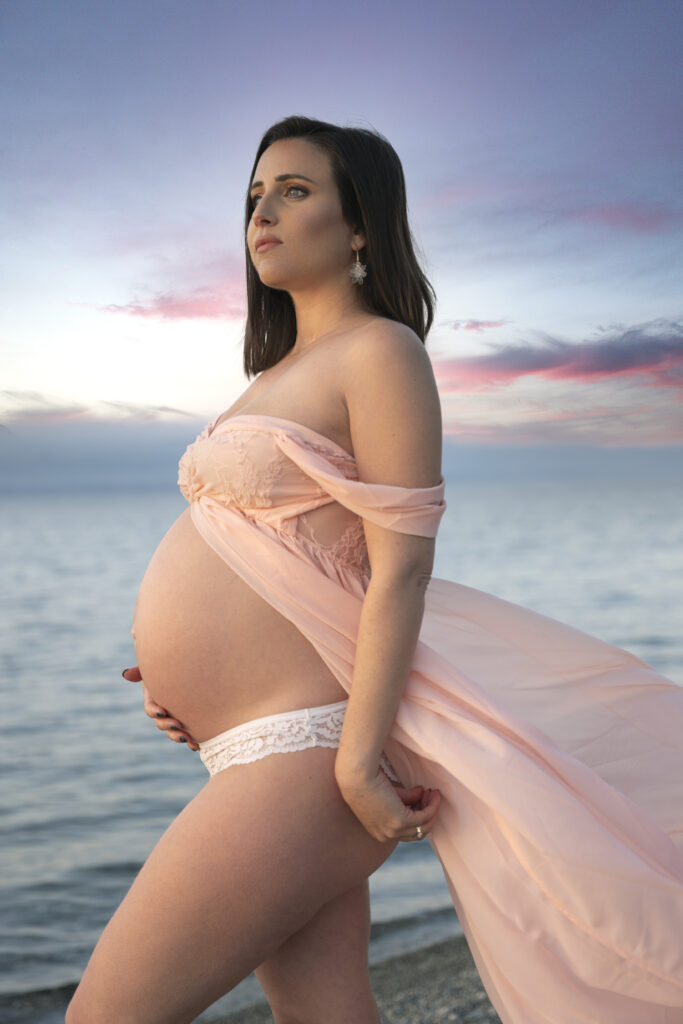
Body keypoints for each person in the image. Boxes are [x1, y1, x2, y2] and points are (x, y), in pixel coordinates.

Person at [66, 116, 683, 1024]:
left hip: (310, 752)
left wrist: (360, 762)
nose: (261, 213)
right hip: (245, 745)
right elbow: (281, 560)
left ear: (359, 226)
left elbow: (399, 570)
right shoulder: (275, 371)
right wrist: (177, 678)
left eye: (294, 189)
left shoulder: (380, 351)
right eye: (253, 196)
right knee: (324, 1015)